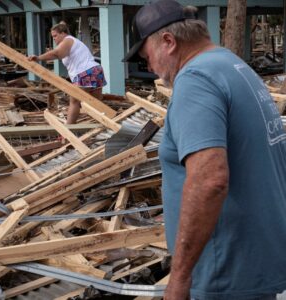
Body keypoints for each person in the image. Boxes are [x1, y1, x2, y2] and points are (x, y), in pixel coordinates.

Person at [123, 1, 286, 299]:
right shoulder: (232, 65)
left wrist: (180, 278)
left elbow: (209, 181)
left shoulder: (196, 80)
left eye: (147, 58)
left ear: (168, 42)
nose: (150, 69)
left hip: (224, 268)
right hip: (253, 258)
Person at [28, 22, 106, 124]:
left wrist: (38, 58)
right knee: (96, 103)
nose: (54, 39)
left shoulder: (67, 40)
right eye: (53, 36)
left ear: (63, 33)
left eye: (55, 36)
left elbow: (57, 54)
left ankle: (69, 131)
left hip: (86, 72)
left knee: (74, 101)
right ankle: (104, 125)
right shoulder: (72, 42)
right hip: (96, 70)